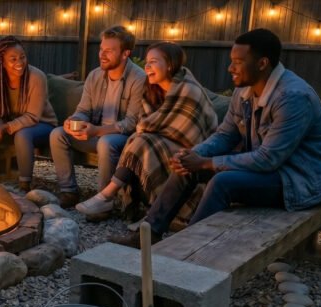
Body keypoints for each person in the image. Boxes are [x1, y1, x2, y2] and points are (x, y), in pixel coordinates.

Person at [110, 29, 321, 248]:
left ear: (262, 63)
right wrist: (194, 155)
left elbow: (268, 159)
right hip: (268, 170)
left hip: (299, 180)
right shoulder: (244, 90)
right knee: (185, 166)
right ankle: (149, 235)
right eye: (231, 61)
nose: (230, 68)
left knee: (223, 182)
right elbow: (225, 135)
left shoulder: (292, 98)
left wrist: (207, 163)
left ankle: (186, 249)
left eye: (238, 62)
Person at [76, 42, 218, 220]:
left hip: (195, 152)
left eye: (153, 62)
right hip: (160, 145)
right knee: (139, 140)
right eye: (146, 62)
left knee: (141, 140)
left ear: (170, 65)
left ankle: (107, 196)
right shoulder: (152, 89)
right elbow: (149, 124)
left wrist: (146, 131)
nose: (147, 67)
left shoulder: (189, 90)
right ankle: (116, 200)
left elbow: (182, 130)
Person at [50, 25, 147, 208]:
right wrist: (74, 120)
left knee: (106, 142)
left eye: (109, 51)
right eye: (101, 49)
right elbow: (83, 110)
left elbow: (132, 122)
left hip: (123, 139)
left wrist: (97, 131)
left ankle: (104, 201)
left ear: (125, 54)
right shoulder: (95, 76)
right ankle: (69, 191)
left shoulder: (139, 78)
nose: (102, 55)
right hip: (95, 134)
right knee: (58, 134)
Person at [0, 36, 58, 192]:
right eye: (13, 59)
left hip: (42, 124)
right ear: (1, 62)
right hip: (12, 124)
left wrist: (5, 127)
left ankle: (24, 185)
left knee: (23, 135)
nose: (20, 62)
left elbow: (33, 116)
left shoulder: (36, 77)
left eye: (22, 57)